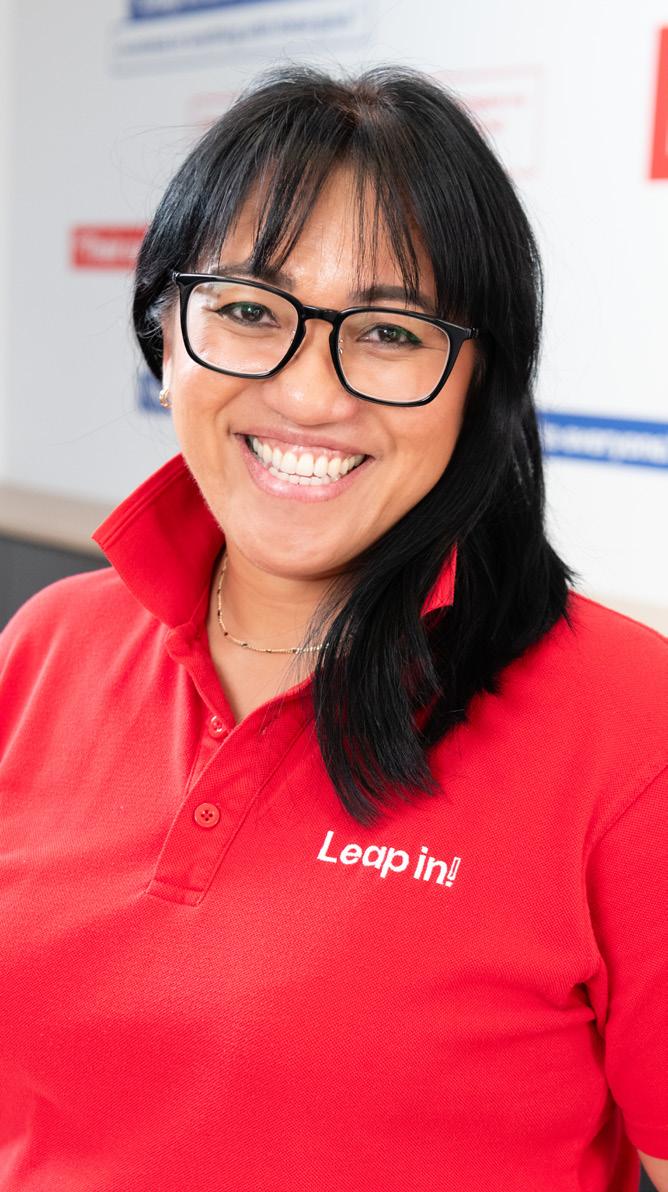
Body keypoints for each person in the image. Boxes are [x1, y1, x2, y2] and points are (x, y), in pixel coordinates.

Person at [0, 65, 666, 1192]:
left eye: (391, 332)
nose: (310, 396)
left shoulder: (630, 722)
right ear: (166, 336)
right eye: (248, 312)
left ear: (480, 381)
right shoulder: (48, 645)